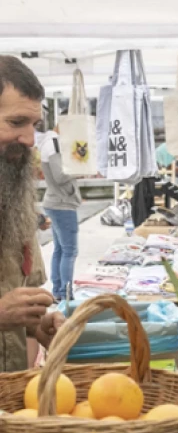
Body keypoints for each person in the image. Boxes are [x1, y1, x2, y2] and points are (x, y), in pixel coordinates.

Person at [0, 55, 65, 371]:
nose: (28, 139)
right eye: (16, 123)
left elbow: (17, 292)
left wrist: (34, 325)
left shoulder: (12, 193)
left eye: (33, 125)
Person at [39, 124, 81, 302]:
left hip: (55, 201)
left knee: (60, 250)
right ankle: (65, 293)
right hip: (62, 204)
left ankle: (58, 291)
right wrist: (80, 169)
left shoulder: (48, 142)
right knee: (70, 250)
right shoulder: (54, 144)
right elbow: (60, 176)